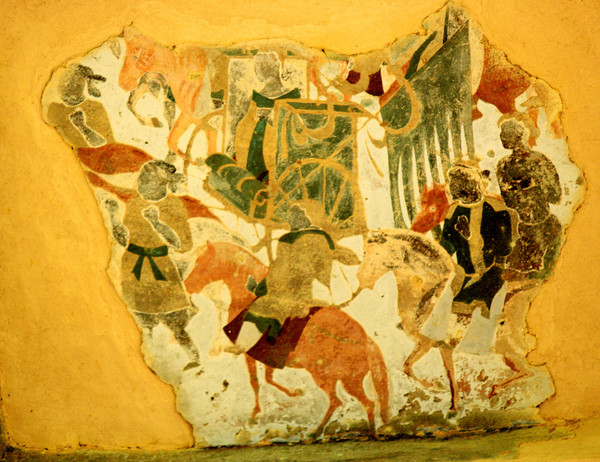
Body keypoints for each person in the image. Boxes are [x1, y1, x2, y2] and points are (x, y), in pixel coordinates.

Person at [224, 205, 358, 355]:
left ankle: (262, 341)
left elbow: (324, 259)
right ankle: (242, 345)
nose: (292, 223)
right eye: (291, 220)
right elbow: (277, 269)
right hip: (281, 286)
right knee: (258, 307)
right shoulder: (292, 240)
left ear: (304, 219)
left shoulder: (317, 238)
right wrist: (258, 288)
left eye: (296, 219)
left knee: (270, 307)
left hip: (297, 292)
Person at [118, 160, 201, 370]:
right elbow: (125, 239)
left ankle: (194, 360)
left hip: (161, 270)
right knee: (141, 323)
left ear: (161, 184)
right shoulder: (135, 202)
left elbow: (182, 244)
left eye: (146, 180)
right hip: (133, 269)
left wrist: (157, 223)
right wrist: (112, 220)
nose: (140, 184)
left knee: (175, 324)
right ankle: (143, 364)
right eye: (141, 179)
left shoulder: (174, 205)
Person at [496, 119, 563, 279]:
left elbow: (556, 195)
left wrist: (531, 185)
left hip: (543, 228)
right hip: (523, 231)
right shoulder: (506, 165)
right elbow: (555, 195)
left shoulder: (537, 161)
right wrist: (527, 185)